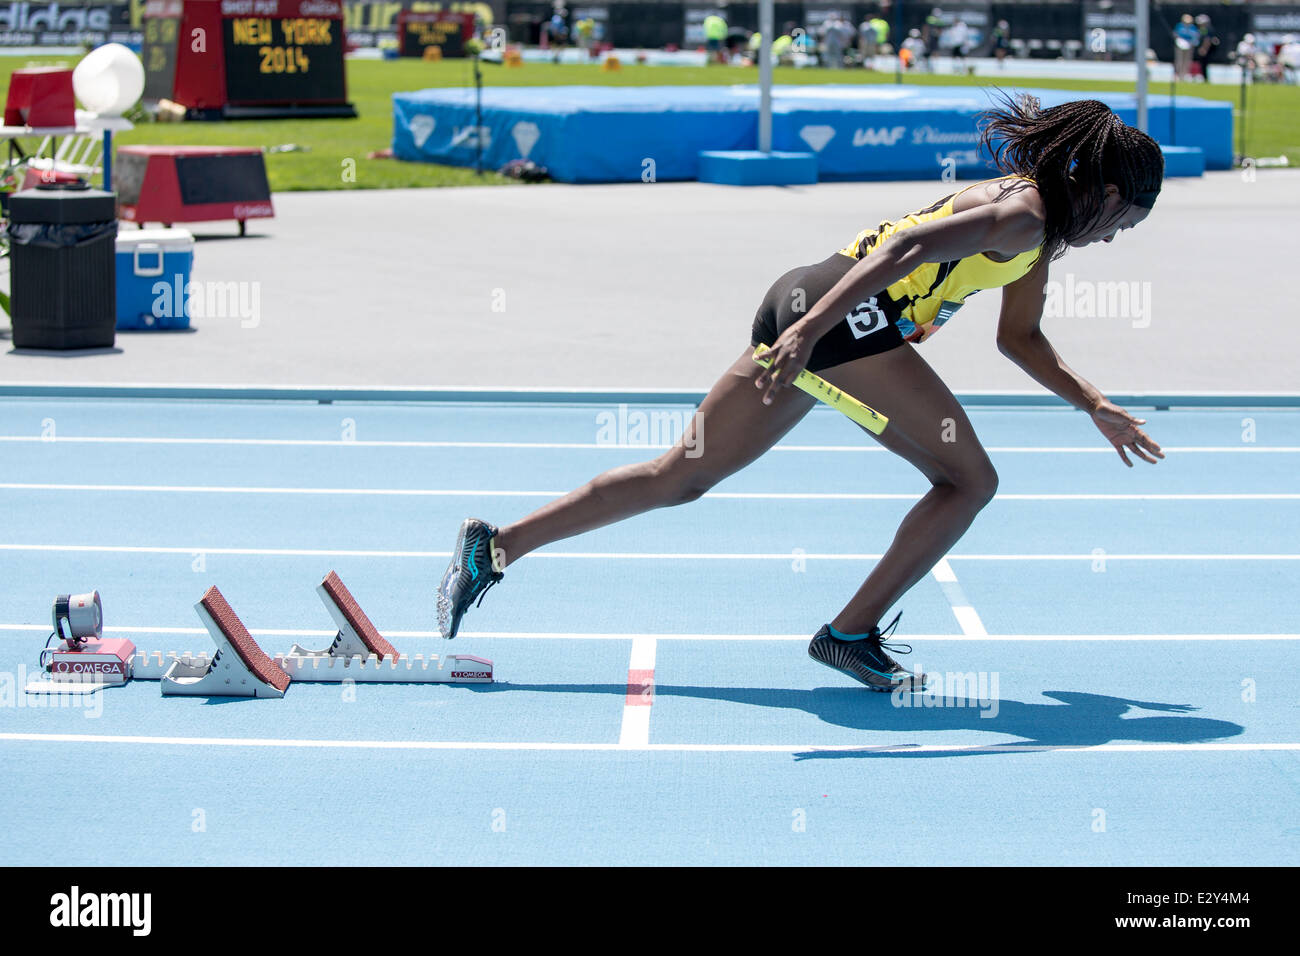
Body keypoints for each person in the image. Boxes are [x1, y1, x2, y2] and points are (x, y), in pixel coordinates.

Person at [436, 96, 1167, 692]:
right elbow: (901, 251)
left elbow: (1022, 339)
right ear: (1105, 193)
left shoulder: (1039, 239)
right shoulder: (1023, 216)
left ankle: (493, 550)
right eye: (1127, 223)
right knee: (969, 481)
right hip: (835, 319)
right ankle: (850, 634)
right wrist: (812, 332)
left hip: (808, 302)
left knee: (679, 476)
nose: (1117, 238)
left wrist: (1092, 402)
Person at [1193, 14, 1218, 82]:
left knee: (1204, 63)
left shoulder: (1208, 29)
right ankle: (1203, 77)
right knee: (1202, 64)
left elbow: (1207, 40)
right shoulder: (1202, 29)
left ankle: (1205, 78)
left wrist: (1204, 48)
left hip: (1206, 50)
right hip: (1202, 48)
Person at [1173, 14, 1198, 81]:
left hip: (1189, 46)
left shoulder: (1193, 28)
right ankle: (1177, 74)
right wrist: (1180, 41)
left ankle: (1184, 75)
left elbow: (1195, 37)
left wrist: (1191, 42)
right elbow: (1175, 34)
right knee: (1179, 60)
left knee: (1187, 61)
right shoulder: (1179, 26)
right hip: (1180, 45)